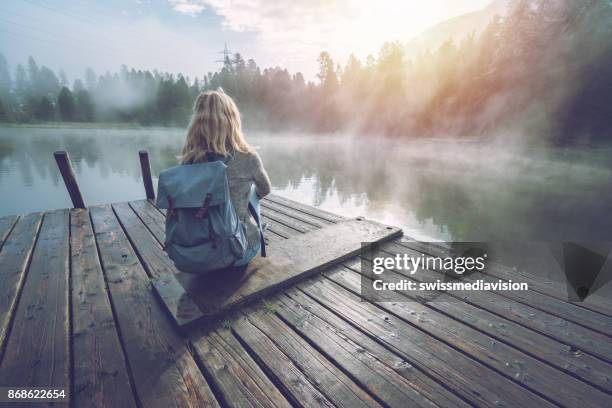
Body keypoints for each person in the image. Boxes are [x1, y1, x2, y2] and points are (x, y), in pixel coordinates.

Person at [179, 89, 271, 265]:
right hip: (236, 254)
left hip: (196, 254)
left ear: (197, 122)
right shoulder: (247, 156)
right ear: (232, 120)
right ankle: (253, 230)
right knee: (252, 189)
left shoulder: (189, 160)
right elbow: (265, 189)